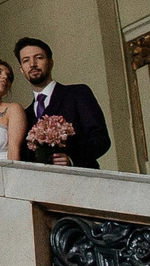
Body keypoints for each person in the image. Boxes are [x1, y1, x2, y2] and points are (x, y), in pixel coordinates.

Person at [15, 36, 110, 168]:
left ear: (51, 62)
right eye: (26, 60)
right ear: (21, 69)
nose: (32, 64)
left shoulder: (77, 93)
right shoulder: (24, 115)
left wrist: (72, 159)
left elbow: (100, 139)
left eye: (39, 58)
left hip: (82, 180)